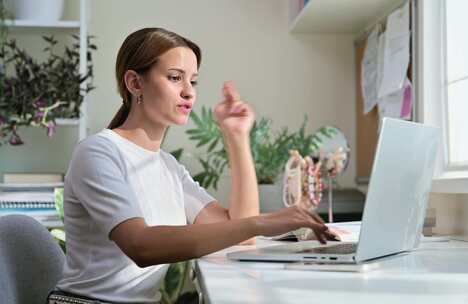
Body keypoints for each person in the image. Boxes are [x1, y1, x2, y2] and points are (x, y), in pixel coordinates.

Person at [47, 27, 332, 304]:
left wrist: (236, 136)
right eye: (175, 78)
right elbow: (141, 245)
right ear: (135, 83)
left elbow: (236, 234)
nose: (188, 92)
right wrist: (262, 223)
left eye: (193, 81)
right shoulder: (97, 152)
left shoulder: (168, 166)